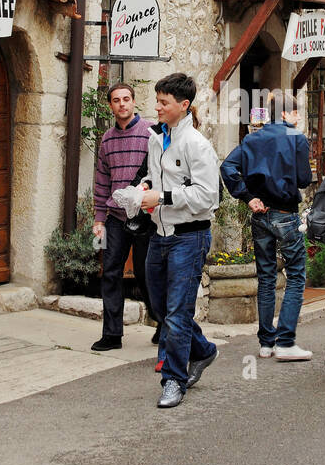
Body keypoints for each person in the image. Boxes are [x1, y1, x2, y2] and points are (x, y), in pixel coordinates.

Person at [138, 73, 221, 408]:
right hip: (159, 235)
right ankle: (203, 350)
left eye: (163, 102)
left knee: (176, 311)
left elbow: (208, 196)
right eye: (157, 101)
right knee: (160, 308)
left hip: (190, 236)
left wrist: (162, 198)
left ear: (183, 106)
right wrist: (146, 186)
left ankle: (173, 380)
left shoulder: (197, 145)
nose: (157, 107)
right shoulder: (156, 139)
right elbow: (154, 175)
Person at [220, 89, 313, 362]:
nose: (298, 118)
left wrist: (248, 197)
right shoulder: (295, 137)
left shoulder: (252, 138)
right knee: (296, 275)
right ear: (285, 113)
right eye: (295, 113)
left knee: (266, 278)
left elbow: (227, 167)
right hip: (286, 213)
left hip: (260, 215)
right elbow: (305, 179)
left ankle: (265, 342)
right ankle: (286, 341)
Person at [91, 82, 154, 352]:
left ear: (134, 101)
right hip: (115, 218)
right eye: (116, 100)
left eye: (126, 99)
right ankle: (112, 334)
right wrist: (99, 218)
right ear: (110, 105)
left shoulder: (151, 132)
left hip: (145, 215)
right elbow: (102, 179)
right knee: (111, 273)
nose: (122, 104)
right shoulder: (106, 139)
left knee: (146, 273)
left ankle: (162, 322)